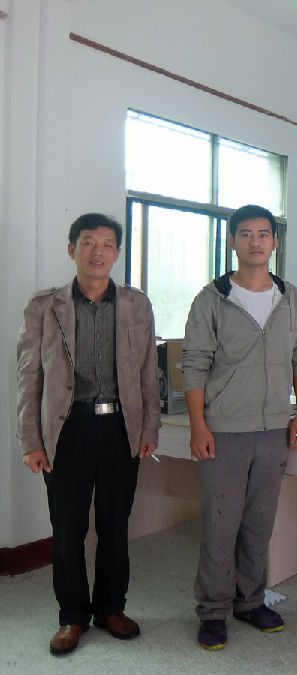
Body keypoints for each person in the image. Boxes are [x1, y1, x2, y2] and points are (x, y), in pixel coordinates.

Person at [17, 213, 160, 656]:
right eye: (88, 243)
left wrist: (149, 427)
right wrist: (31, 441)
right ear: (72, 249)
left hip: (120, 427)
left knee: (115, 525)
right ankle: (72, 615)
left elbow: (148, 372)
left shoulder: (136, 305)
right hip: (67, 428)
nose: (98, 252)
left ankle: (111, 608)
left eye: (107, 244)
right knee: (68, 528)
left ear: (117, 253)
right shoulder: (45, 306)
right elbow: (29, 377)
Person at [182, 204, 297, 651]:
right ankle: (212, 611)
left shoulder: (291, 297)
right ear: (232, 242)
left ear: (274, 242)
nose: (255, 242)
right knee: (221, 524)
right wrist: (198, 426)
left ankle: (250, 601)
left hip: (274, 428)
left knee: (259, 522)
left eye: (263, 234)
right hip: (225, 430)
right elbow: (194, 364)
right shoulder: (213, 298)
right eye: (245, 234)